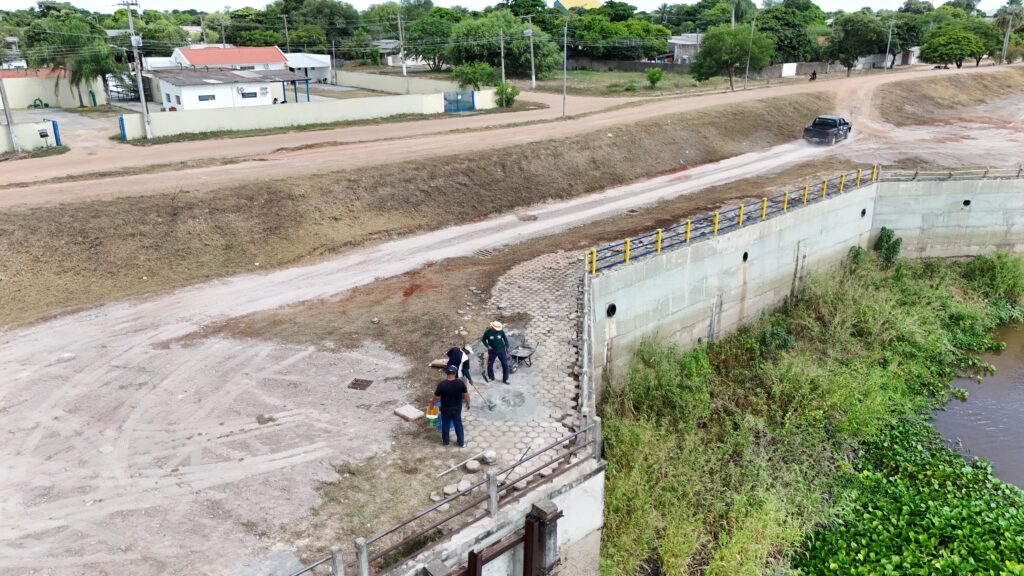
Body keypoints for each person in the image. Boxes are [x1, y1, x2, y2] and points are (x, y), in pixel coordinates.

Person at [432, 365, 470, 447]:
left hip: (445, 409)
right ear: (455, 373)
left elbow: (436, 397)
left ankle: (446, 442)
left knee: (445, 424)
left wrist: (431, 406)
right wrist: (468, 403)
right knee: (458, 424)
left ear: (446, 373)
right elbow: (466, 395)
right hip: (457, 408)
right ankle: (461, 443)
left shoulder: (442, 385)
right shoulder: (460, 383)